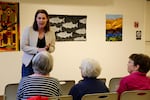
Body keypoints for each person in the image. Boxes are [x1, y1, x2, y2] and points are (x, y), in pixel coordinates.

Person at [21, 9, 55, 77]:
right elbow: (23, 46)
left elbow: (53, 48)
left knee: (42, 86)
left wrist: (48, 49)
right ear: (36, 19)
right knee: (28, 86)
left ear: (47, 19)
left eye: (43, 18)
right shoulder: (28, 30)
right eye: (39, 18)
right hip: (29, 64)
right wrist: (38, 50)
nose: (41, 20)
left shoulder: (51, 32)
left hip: (44, 65)